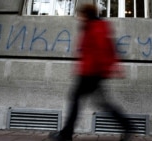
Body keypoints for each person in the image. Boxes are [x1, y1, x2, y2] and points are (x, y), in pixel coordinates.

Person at [49, 4, 130, 141]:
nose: (79, 17)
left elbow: (102, 49)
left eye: (80, 14)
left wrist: (103, 69)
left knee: (76, 100)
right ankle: (128, 127)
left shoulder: (96, 26)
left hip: (91, 73)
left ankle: (66, 134)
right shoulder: (91, 26)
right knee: (101, 103)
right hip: (91, 72)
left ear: (86, 14)